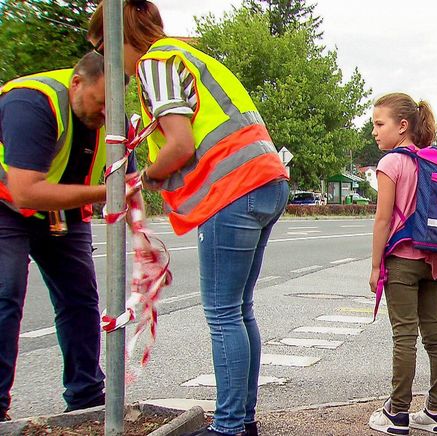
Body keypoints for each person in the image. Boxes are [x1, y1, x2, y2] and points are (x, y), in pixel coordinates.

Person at [88, 2, 289, 435]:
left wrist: (144, 176)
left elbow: (179, 144)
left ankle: (230, 427)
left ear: (117, 37)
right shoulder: (189, 56)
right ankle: (243, 421)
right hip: (265, 181)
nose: (111, 63)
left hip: (231, 190)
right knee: (239, 310)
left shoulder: (155, 62)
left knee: (222, 314)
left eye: (105, 48)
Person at [0, 51, 135, 419]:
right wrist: (105, 193)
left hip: (62, 212)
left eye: (113, 107)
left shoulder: (114, 115)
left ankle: (87, 397)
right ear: (77, 83)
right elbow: (26, 190)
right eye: (100, 103)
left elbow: (129, 179)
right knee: (5, 293)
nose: (106, 115)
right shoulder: (32, 101)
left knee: (80, 300)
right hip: (6, 205)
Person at [368, 93, 437, 435]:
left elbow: (382, 220)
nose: (374, 132)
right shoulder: (432, 161)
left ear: (402, 126)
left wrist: (376, 267)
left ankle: (397, 413)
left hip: (401, 260)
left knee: (404, 336)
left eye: (379, 124)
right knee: (435, 334)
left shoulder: (392, 163)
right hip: (433, 260)